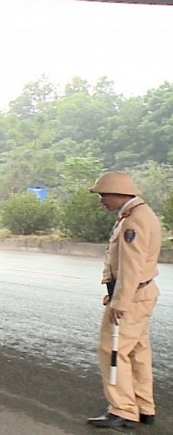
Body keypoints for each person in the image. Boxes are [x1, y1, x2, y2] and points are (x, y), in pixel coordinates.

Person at [86, 171, 160, 429]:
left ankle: (123, 409)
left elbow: (131, 267)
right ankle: (143, 406)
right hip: (141, 295)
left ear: (118, 193)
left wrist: (119, 302)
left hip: (131, 297)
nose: (101, 200)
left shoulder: (133, 221)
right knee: (138, 350)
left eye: (103, 195)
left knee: (112, 350)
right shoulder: (140, 214)